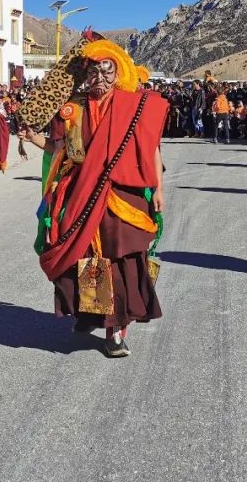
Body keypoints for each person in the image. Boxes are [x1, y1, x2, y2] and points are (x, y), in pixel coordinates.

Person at [21, 36, 168, 358]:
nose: (99, 78)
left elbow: (151, 150)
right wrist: (32, 136)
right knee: (85, 255)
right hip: (80, 194)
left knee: (121, 260)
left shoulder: (135, 106)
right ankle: (91, 312)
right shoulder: (72, 109)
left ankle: (116, 331)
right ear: (83, 74)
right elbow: (58, 150)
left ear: (119, 73)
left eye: (107, 71)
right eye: (93, 71)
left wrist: (158, 188)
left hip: (123, 196)